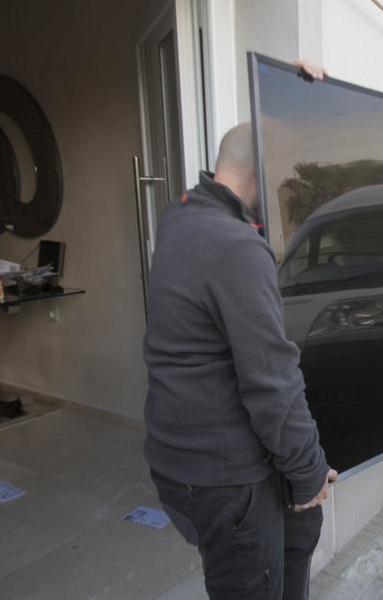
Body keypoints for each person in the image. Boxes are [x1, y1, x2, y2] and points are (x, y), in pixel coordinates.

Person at [143, 62, 335, 600]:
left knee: (298, 538)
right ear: (265, 175)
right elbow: (271, 382)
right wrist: (310, 473)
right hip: (225, 482)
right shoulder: (236, 246)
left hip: (177, 464)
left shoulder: (178, 216)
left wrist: (300, 93)